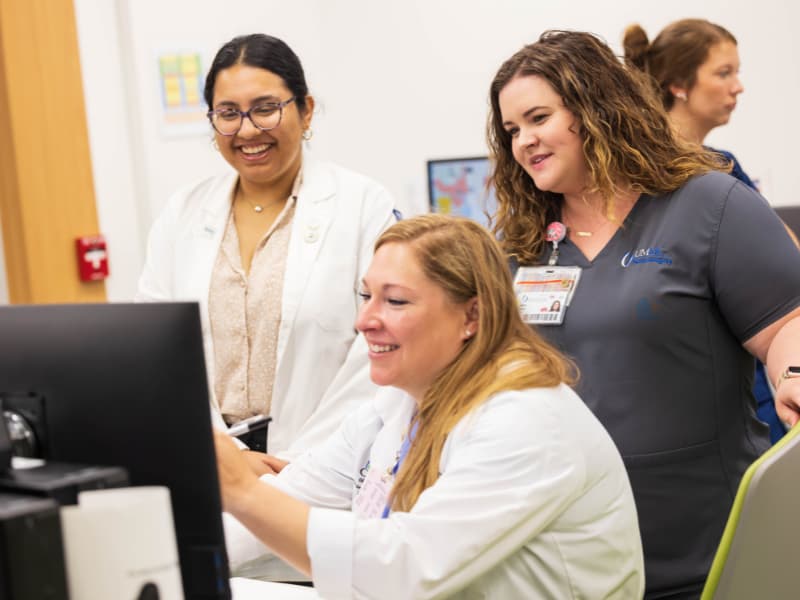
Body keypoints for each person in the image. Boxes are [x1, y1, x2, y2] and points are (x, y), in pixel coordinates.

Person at [488, 30, 800, 599]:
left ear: (593, 108)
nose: (524, 141)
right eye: (512, 130)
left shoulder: (709, 203)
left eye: (538, 118)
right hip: (568, 551)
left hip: (705, 545)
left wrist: (792, 375)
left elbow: (786, 322)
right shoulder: (521, 245)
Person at [216, 214, 645, 599]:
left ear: (471, 317)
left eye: (395, 301)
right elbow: (296, 494)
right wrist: (173, 552)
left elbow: (407, 572)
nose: (364, 320)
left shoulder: (526, 421)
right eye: (366, 296)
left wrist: (244, 493)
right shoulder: (397, 405)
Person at [136, 34, 396, 460]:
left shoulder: (363, 205)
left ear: (305, 109)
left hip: (328, 459)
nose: (247, 130)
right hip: (212, 458)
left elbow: (381, 349)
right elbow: (154, 347)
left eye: (265, 108)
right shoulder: (182, 213)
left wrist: (304, 462)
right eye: (228, 114)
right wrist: (223, 455)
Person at [623, 18, 799, 444]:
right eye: (723, 73)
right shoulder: (702, 171)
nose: (737, 87)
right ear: (678, 84)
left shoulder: (718, 164)